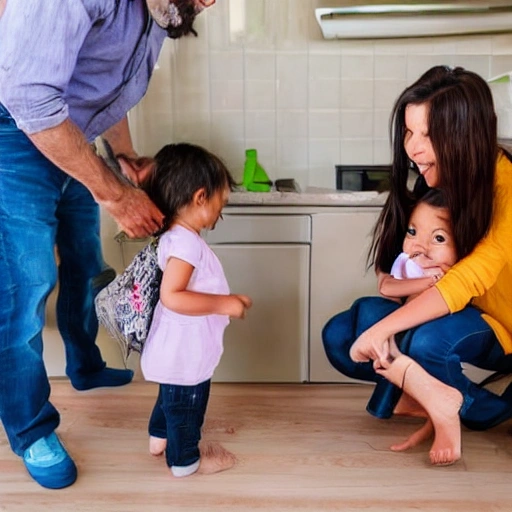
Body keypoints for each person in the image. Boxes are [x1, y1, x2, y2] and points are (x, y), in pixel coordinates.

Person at [0, 0, 215, 489]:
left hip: (70, 132)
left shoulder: (164, 10)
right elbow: (29, 98)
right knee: (23, 288)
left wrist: (122, 155)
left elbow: (105, 92)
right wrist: (115, 194)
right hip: (13, 128)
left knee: (85, 261)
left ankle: (85, 364)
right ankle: (31, 429)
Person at [322, 65, 512, 466]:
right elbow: (392, 260)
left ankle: (481, 407)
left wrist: (385, 329)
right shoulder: (435, 176)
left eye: (429, 135)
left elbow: (468, 278)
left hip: (500, 324)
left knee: (423, 344)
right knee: (341, 335)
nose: (414, 148)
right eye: (410, 132)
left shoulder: (505, 186)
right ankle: (430, 395)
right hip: (451, 309)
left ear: (467, 135)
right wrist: (393, 294)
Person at [138, 143, 252, 477]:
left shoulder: (177, 237)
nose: (221, 211)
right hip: (184, 351)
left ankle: (159, 439)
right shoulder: (186, 243)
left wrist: (227, 301)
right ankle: (186, 461)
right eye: (222, 202)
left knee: (169, 396)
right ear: (201, 197)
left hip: (176, 349)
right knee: (187, 404)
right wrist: (224, 303)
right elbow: (173, 295)